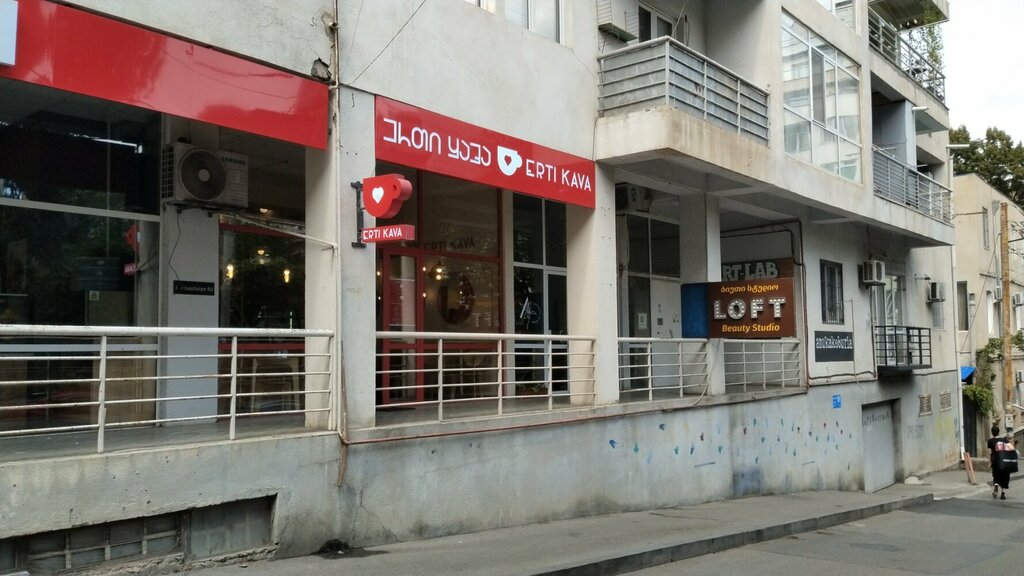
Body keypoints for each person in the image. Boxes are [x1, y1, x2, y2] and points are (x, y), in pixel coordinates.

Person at [988, 425, 1011, 500]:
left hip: (995, 460)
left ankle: (996, 488)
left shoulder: (990, 441)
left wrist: (990, 463)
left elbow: (990, 453)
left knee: (996, 475)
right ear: (999, 432)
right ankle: (1002, 494)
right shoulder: (1004, 440)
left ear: (992, 433)